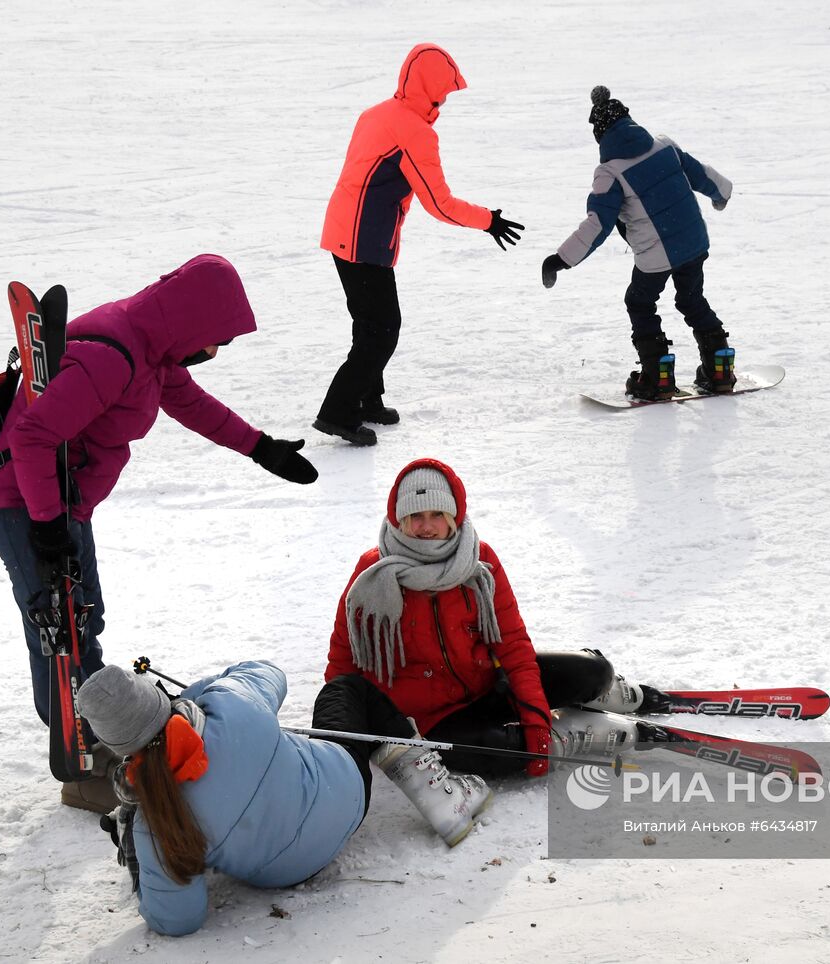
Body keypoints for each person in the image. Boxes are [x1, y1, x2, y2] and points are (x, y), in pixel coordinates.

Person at [0, 254, 318, 813]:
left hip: (61, 505)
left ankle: (100, 735)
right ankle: (82, 762)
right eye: (216, 342)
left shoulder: (149, 350)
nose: (211, 354)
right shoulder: (113, 355)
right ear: (192, 322)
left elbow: (193, 405)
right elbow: (34, 438)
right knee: (62, 631)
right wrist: (46, 525)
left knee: (83, 618)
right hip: (24, 505)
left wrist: (260, 447)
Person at [76, 661, 490, 937]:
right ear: (159, 699)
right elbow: (267, 672)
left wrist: (146, 857)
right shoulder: (228, 702)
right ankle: (436, 794)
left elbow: (177, 919)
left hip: (289, 869)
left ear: (117, 747)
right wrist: (198, 694)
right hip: (343, 791)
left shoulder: (155, 823)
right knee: (345, 690)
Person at [324, 458, 665, 778]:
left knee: (592, 670)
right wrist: (342, 741)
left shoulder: (479, 560)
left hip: (489, 685)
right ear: (398, 519)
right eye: (415, 516)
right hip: (434, 720)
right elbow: (343, 660)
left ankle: (601, 691)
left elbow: (512, 643)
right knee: (502, 753)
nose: (427, 527)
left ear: (454, 515)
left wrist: (534, 718)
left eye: (437, 514)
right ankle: (566, 732)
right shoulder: (372, 573)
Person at [314, 43, 524, 447]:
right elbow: (439, 204)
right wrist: (488, 221)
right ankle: (338, 412)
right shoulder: (415, 132)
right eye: (444, 90)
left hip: (343, 230)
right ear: (430, 87)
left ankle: (366, 401)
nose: (446, 98)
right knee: (382, 329)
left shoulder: (376, 113)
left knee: (369, 323)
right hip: (364, 240)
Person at [541, 86, 736, 401]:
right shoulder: (665, 147)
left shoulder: (609, 173)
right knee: (691, 299)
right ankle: (720, 367)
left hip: (655, 253)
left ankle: (657, 375)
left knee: (640, 302)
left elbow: (599, 224)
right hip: (693, 241)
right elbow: (702, 175)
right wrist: (721, 194)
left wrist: (560, 259)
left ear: (601, 136)